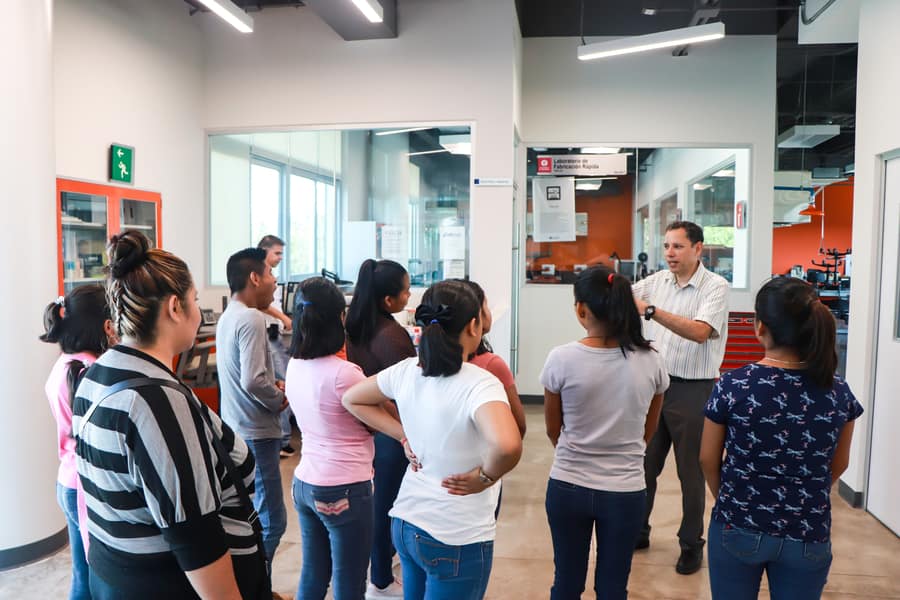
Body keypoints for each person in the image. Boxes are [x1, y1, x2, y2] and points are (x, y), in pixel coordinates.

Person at [73, 230, 269, 598]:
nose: (198, 311)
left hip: (116, 574)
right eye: (195, 300)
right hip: (168, 585)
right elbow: (196, 537)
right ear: (175, 307)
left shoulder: (96, 375)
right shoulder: (156, 401)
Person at [343, 279, 522, 599]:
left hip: (408, 522)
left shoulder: (406, 370)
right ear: (473, 325)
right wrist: (485, 476)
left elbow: (352, 399)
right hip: (455, 534)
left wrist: (402, 435)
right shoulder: (481, 383)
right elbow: (507, 445)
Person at [699, 277, 863, 600]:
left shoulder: (733, 385)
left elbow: (707, 458)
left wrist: (731, 500)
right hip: (807, 533)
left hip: (738, 525)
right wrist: (802, 493)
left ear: (759, 327)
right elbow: (840, 462)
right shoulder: (838, 391)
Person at [541, 266, 668, 600]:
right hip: (625, 491)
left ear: (581, 310)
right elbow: (648, 430)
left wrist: (577, 448)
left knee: (566, 583)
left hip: (567, 485)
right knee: (613, 587)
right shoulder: (651, 360)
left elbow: (554, 429)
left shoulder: (561, 358)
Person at [631, 220, 729, 574]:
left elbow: (701, 332)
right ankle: (638, 531)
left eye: (678, 246)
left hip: (694, 390)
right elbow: (623, 294)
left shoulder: (715, 287)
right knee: (644, 466)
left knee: (692, 473)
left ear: (698, 248)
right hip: (655, 386)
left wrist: (652, 311)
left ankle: (691, 545)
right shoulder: (656, 281)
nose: (669, 253)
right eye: (667, 246)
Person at [285, 277, 373, 600]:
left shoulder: (295, 365)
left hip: (305, 483)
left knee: (313, 574)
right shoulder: (344, 373)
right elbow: (377, 421)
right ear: (340, 318)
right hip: (345, 487)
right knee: (349, 585)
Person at [40, 285, 117, 600]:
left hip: (67, 482)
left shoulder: (65, 364)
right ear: (104, 324)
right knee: (100, 581)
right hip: (87, 488)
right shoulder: (92, 371)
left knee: (83, 578)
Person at [344, 258, 415, 598]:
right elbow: (406, 393)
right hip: (390, 430)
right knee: (388, 506)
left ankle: (381, 569)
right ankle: (383, 577)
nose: (410, 295)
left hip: (364, 428)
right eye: (405, 290)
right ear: (389, 300)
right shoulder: (393, 336)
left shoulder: (353, 326)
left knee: (379, 504)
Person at [217, 247, 288, 566]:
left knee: (252, 518)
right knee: (273, 522)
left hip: (236, 428)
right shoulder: (251, 317)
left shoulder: (230, 314)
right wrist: (280, 398)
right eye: (271, 274)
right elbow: (253, 380)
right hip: (257, 432)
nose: (275, 282)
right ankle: (257, 587)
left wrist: (272, 386)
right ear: (254, 277)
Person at [461, 279, 526, 439]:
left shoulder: (423, 364)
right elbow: (518, 427)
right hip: (483, 460)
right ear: (475, 320)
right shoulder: (491, 364)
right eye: (486, 306)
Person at [256, 235, 296, 459]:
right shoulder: (260, 274)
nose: (280, 257)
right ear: (265, 251)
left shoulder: (270, 274)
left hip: (275, 332)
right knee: (282, 383)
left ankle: (282, 437)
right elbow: (266, 304)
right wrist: (285, 319)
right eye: (277, 253)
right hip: (269, 333)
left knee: (283, 381)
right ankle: (282, 439)